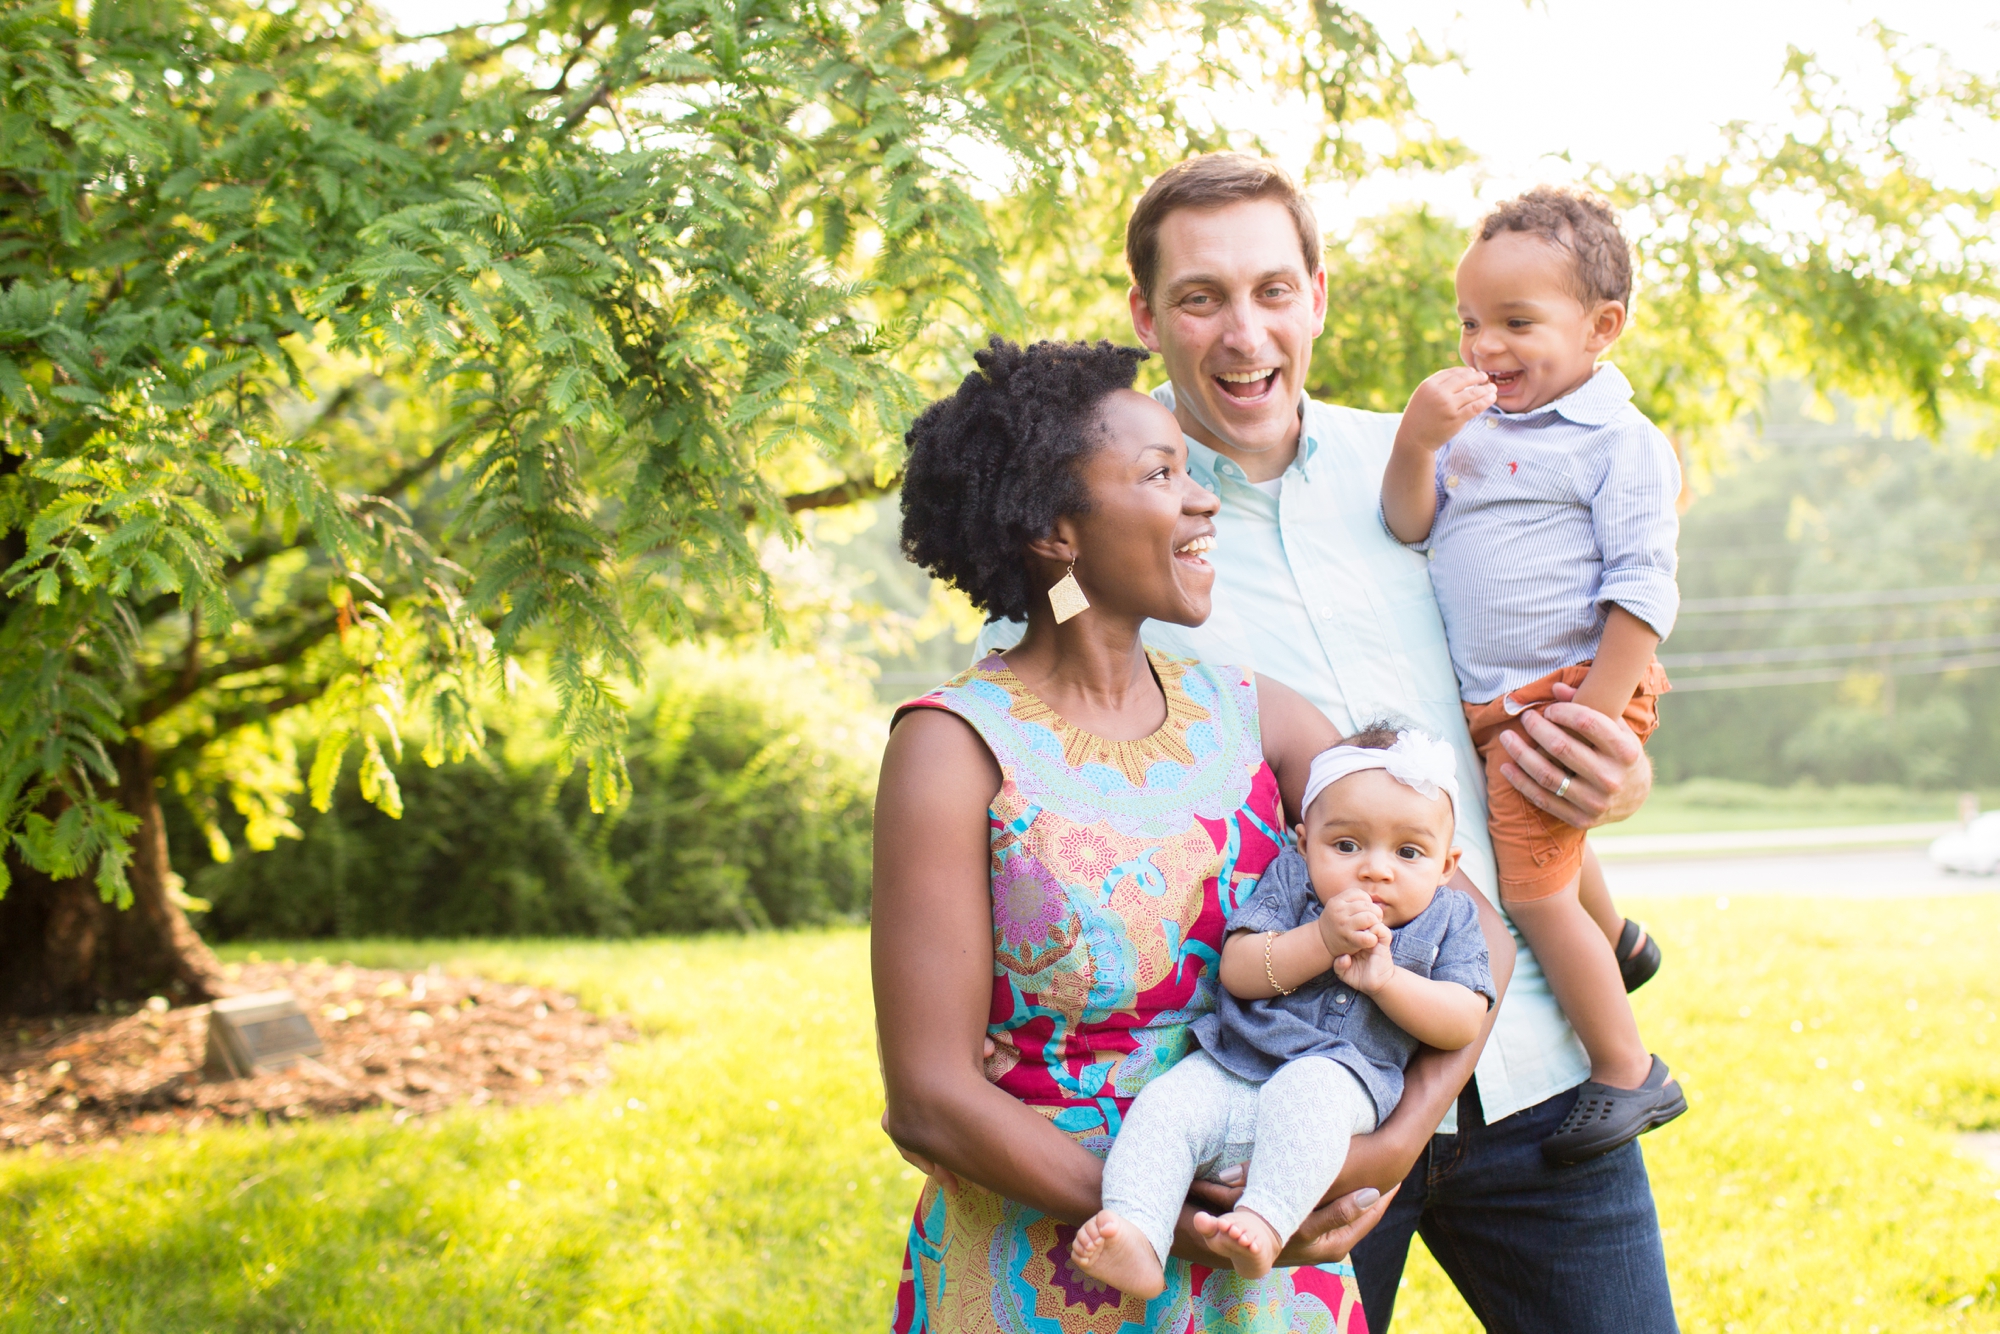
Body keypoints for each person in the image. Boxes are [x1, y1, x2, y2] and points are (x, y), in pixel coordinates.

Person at [974, 154, 1675, 1332]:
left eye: (1269, 289)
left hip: (1535, 1061)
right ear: (1145, 316)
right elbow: (1041, 785)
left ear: (1316, 294)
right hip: (1291, 1104)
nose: (1242, 329)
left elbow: (1555, 630)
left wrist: (1616, 759)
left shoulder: (1443, 457)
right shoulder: (1107, 536)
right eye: (1198, 297)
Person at [873, 336, 1519, 1333]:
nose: (1201, 499)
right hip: (1047, 1268)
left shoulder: (1254, 715)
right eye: (1158, 474)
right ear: (1052, 528)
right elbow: (928, 1095)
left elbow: (1477, 930)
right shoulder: (952, 746)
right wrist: (1152, 1211)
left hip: (1265, 1267)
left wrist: (1387, 1147)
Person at [1381, 186, 1687, 1165]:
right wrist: (1419, 439)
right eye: (1469, 321)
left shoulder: (1618, 443)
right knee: (1546, 846)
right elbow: (1406, 522)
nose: (1484, 346)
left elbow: (1641, 589)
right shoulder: (1473, 433)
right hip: (1504, 700)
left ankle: (1624, 1066)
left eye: (1517, 322)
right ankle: (1622, 942)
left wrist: (1595, 713)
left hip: (1573, 689)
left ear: (1602, 327)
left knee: (1529, 885)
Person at [1072, 726, 1494, 1301]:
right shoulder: (1292, 883)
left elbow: (1463, 1021)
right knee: (1167, 1108)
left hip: (1345, 1083)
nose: (1375, 869)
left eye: (1409, 852)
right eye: (1345, 846)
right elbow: (1239, 969)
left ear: (1447, 865)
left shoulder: (1451, 919)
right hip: (1235, 1063)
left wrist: (1389, 982)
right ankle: (1138, 1234)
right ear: (1303, 842)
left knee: (1309, 1090)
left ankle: (1265, 1222)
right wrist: (1320, 939)